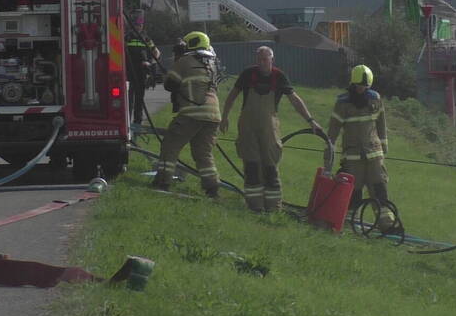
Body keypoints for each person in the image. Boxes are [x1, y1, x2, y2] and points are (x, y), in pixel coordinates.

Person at [222, 46, 325, 213]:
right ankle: (254, 206)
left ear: (272, 59)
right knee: (252, 166)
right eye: (259, 59)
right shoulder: (248, 74)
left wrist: (311, 121)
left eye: (265, 59)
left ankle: (274, 208)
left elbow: (295, 100)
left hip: (269, 129)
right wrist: (225, 116)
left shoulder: (279, 77)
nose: (262, 62)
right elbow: (233, 95)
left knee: (270, 167)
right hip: (247, 128)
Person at [152, 31, 222, 198]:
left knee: (170, 146)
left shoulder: (183, 61)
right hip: (213, 115)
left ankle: (163, 182)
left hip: (192, 113)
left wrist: (172, 68)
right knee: (203, 153)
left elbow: (170, 84)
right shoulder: (212, 64)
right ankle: (212, 188)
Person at [325, 64, 395, 231]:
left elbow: (381, 125)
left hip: (374, 156)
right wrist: (328, 157)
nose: (362, 89)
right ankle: (350, 225)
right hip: (353, 158)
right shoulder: (343, 103)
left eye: (365, 86)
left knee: (379, 190)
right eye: (359, 86)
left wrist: (383, 147)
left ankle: (387, 224)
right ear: (353, 84)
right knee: (353, 193)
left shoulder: (375, 99)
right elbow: (332, 132)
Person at [125, 9, 159, 126]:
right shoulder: (126, 37)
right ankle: (127, 124)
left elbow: (156, 52)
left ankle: (137, 124)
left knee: (139, 100)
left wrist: (151, 63)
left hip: (140, 74)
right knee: (128, 100)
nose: (139, 27)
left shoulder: (146, 38)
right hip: (128, 73)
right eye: (137, 24)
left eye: (140, 25)